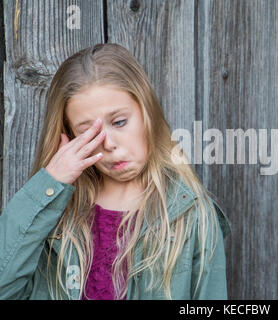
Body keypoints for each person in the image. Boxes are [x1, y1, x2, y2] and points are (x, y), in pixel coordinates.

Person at [0, 43, 231, 300]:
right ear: (69, 136)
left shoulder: (191, 213)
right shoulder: (57, 214)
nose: (108, 143)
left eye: (119, 122)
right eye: (89, 132)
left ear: (147, 112)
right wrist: (49, 184)